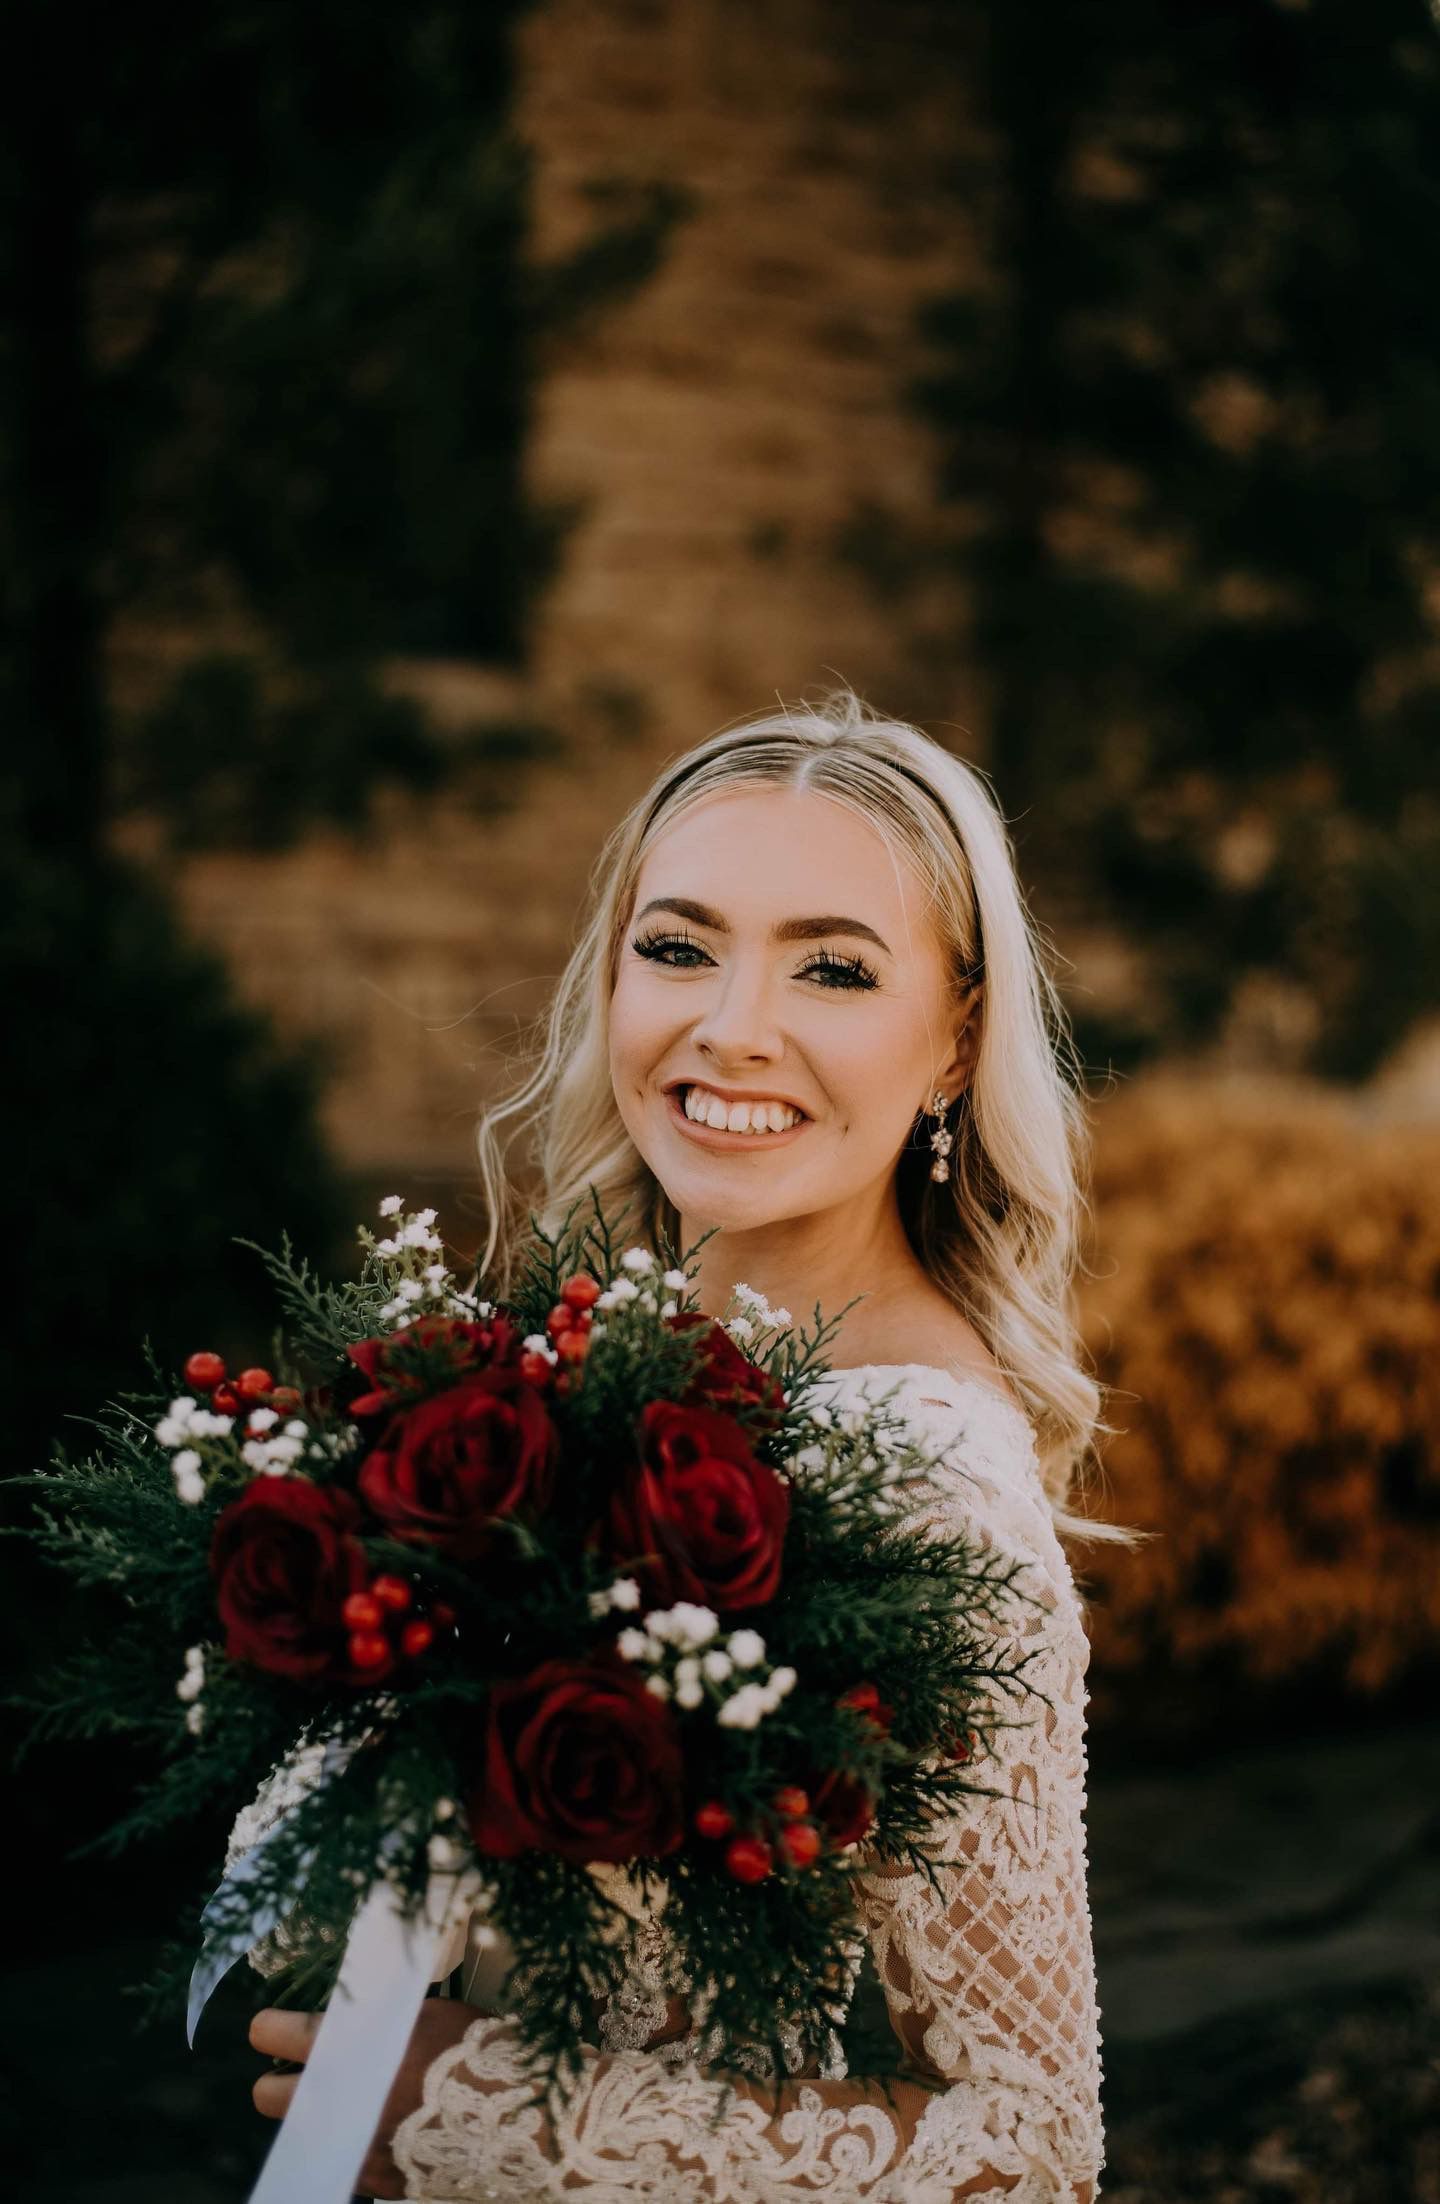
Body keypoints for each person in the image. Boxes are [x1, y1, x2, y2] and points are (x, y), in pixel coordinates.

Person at [250, 684, 1134, 2199]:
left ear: (953, 1045)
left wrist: (479, 2113)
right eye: (678, 946)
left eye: (835, 971)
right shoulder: (551, 1372)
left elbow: (1033, 2149)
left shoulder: (932, 1485)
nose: (732, 1029)